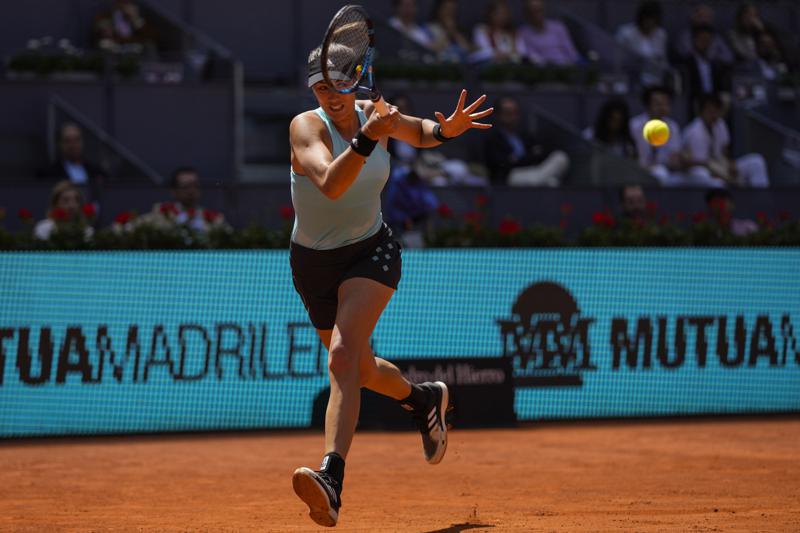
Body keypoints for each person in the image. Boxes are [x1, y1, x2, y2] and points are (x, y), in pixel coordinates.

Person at [289, 44, 493, 527]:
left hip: (371, 251)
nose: (329, 94)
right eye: (320, 86)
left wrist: (445, 129)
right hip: (312, 264)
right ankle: (423, 399)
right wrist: (367, 136)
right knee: (356, 369)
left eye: (338, 84)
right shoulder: (306, 127)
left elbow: (420, 131)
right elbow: (331, 185)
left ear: (355, 80)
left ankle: (331, 479)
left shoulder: (375, 114)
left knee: (340, 356)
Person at [682, 93, 769, 188]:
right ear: (702, 111)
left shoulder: (720, 124)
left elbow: (724, 151)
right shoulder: (693, 131)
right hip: (700, 171)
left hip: (720, 165)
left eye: (716, 109)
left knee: (756, 162)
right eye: (709, 110)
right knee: (709, 178)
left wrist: (730, 164)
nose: (713, 113)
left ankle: (761, 200)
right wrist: (725, 176)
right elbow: (703, 163)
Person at [484, 95, 569, 186]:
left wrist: (518, 159)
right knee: (551, 183)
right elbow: (502, 165)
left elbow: (540, 154)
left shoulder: (525, 136)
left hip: (534, 170)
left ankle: (542, 180)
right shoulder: (492, 139)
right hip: (511, 176)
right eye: (508, 113)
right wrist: (528, 157)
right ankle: (543, 181)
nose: (513, 117)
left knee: (560, 157)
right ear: (498, 115)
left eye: (515, 113)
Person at [629, 86, 690, 186]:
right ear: (648, 105)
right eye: (658, 104)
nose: (662, 107)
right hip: (638, 170)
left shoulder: (673, 127)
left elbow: (674, 157)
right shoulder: (634, 125)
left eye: (666, 104)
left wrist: (680, 159)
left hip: (665, 171)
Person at [37, 123, 108, 201]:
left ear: (82, 142)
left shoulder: (96, 171)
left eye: (77, 140)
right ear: (60, 144)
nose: (73, 145)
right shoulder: (49, 173)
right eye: (68, 141)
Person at [147, 167, 228, 231]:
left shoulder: (214, 219)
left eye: (194, 185)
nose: (191, 191)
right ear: (174, 191)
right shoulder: (160, 213)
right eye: (185, 186)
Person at [615, 1, 669, 86]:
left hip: (655, 80)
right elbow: (618, 61)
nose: (650, 23)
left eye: (653, 20)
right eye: (647, 19)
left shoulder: (661, 34)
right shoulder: (625, 33)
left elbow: (663, 61)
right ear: (641, 18)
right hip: (631, 78)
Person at [682, 24, 731, 115]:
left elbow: (719, 86)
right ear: (694, 40)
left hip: (713, 97)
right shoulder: (687, 62)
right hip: (697, 98)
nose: (705, 43)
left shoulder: (714, 63)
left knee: (726, 99)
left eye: (708, 40)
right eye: (702, 40)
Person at [516, 0, 581, 65]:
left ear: (544, 10)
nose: (537, 15)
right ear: (526, 14)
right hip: (544, 71)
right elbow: (533, 58)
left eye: (539, 10)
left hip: (567, 67)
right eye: (532, 12)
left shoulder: (558, 27)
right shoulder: (522, 33)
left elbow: (572, 53)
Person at [92, 0, 156, 55]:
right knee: (105, 45)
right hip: (114, 52)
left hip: (135, 53)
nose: (125, 3)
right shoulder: (105, 17)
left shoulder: (136, 18)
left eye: (127, 2)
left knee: (149, 46)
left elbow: (151, 37)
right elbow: (99, 36)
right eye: (122, 1)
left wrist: (136, 19)